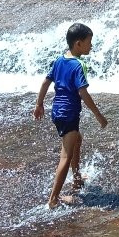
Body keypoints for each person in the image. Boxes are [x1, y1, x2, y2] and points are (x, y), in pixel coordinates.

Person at [33, 22, 108, 208]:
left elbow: (45, 83)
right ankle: (53, 199)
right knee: (65, 156)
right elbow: (83, 93)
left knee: (77, 140)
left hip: (57, 112)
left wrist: (39, 104)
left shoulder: (59, 60)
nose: (91, 45)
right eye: (89, 42)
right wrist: (99, 116)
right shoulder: (78, 65)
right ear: (78, 44)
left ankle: (76, 178)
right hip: (69, 114)